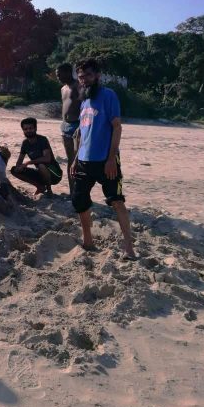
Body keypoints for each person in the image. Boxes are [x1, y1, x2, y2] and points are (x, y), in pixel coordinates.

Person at [70, 58, 136, 260]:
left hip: (106, 160)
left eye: (88, 75)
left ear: (98, 75)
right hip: (84, 161)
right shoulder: (84, 100)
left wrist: (111, 158)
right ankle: (88, 241)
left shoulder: (108, 95)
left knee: (117, 201)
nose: (84, 80)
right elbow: (81, 133)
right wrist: (75, 159)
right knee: (80, 201)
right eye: (81, 77)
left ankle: (129, 247)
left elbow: (117, 127)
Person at [11, 117, 62, 198]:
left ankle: (49, 190)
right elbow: (20, 160)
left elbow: (47, 158)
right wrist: (18, 167)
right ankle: (40, 187)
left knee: (41, 165)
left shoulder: (42, 140)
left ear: (35, 128)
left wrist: (28, 162)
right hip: (40, 172)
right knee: (14, 170)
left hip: (54, 174)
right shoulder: (25, 143)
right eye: (25, 129)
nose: (28, 131)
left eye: (30, 128)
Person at [56, 62, 81, 192]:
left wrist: (82, 126)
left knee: (78, 161)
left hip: (77, 125)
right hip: (65, 126)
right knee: (70, 160)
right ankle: (72, 192)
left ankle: (79, 191)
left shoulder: (78, 86)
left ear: (67, 73)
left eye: (59, 74)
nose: (58, 77)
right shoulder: (63, 89)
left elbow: (84, 105)